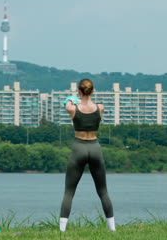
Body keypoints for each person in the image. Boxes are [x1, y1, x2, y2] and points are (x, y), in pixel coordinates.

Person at [59, 79, 115, 232]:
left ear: (79, 91)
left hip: (79, 148)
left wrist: (71, 99)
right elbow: (93, 108)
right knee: (103, 191)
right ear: (93, 91)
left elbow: (68, 104)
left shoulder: (72, 109)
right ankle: (113, 229)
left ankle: (62, 230)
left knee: (69, 192)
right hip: (95, 147)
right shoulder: (100, 108)